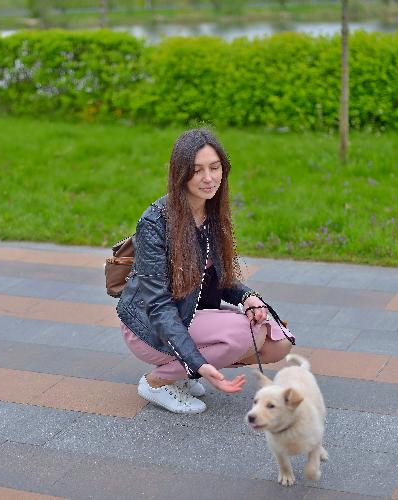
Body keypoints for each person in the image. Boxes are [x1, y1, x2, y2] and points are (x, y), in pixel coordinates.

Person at [116, 128, 295, 414]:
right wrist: (198, 365)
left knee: (278, 341)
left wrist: (248, 296)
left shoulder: (213, 213)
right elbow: (159, 305)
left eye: (215, 168)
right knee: (246, 334)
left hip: (190, 314)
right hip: (150, 326)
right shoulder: (155, 221)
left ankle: (181, 374)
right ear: (181, 174)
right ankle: (158, 381)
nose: (209, 178)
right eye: (197, 170)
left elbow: (221, 280)